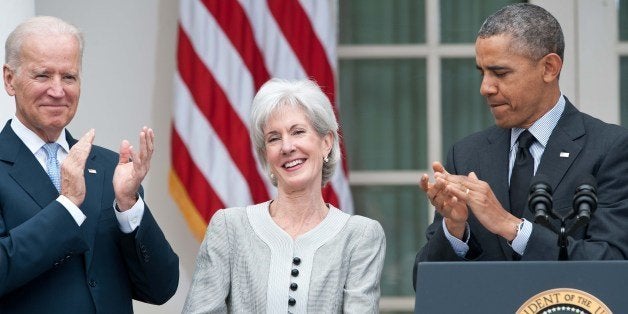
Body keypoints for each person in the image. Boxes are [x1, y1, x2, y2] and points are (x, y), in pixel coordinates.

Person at [414, 3, 628, 285]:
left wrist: (512, 227)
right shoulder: (467, 154)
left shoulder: (609, 148)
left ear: (549, 68)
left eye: (500, 73)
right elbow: (427, 284)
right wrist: (455, 230)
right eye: (482, 73)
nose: (485, 88)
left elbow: (613, 266)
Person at [0, 16, 179, 312]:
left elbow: (161, 288)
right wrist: (67, 206)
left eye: (68, 77)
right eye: (43, 75)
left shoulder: (111, 168)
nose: (58, 90)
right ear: (10, 79)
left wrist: (129, 206)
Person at [183, 78, 386, 313]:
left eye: (298, 132)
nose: (287, 147)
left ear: (326, 143)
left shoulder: (360, 237)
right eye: (274, 138)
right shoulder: (229, 228)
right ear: (266, 155)